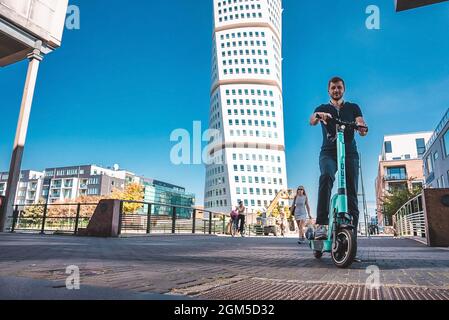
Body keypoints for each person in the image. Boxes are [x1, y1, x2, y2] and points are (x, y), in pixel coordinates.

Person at [309, 77, 368, 241]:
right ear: (329, 90)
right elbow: (312, 120)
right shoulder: (323, 107)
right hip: (328, 152)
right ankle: (321, 224)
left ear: (344, 89)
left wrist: (362, 128)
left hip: (349, 153)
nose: (336, 90)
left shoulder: (353, 107)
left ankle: (352, 236)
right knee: (326, 176)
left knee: (351, 193)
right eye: (333, 88)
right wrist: (319, 115)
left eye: (339, 87)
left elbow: (360, 123)